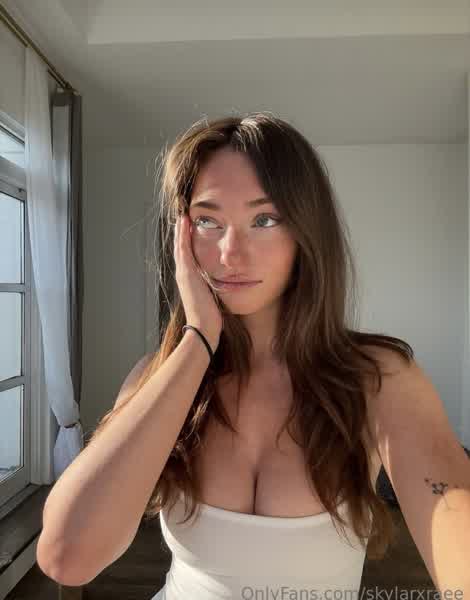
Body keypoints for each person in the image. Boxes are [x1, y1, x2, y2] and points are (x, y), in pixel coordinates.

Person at [37, 112, 470, 598]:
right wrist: (198, 341)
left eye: (264, 220)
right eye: (207, 221)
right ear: (182, 237)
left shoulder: (378, 379)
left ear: (306, 232)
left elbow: (453, 512)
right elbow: (66, 556)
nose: (230, 253)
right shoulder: (161, 375)